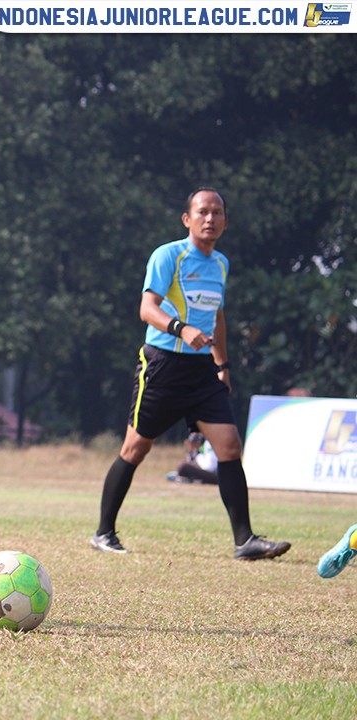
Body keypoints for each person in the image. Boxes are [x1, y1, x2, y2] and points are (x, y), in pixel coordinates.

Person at [90, 188, 290, 561]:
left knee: (229, 446)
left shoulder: (221, 264)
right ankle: (103, 533)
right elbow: (147, 310)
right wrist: (181, 329)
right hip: (163, 364)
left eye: (217, 213)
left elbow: (217, 318)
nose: (210, 219)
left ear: (226, 222)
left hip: (201, 371)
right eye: (202, 212)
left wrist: (222, 365)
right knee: (136, 448)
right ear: (187, 219)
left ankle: (245, 541)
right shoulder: (169, 255)